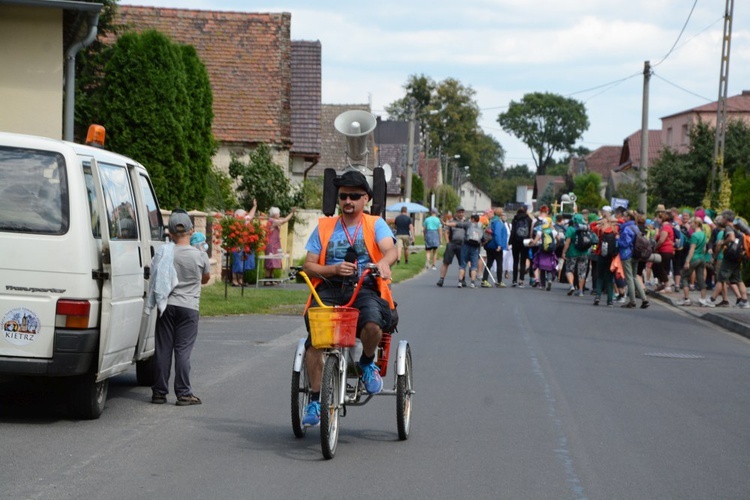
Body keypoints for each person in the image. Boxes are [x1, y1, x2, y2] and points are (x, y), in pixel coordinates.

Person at [300, 171, 397, 427]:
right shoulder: (324, 226)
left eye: (355, 196)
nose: (348, 200)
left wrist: (384, 263)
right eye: (343, 196)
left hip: (364, 286)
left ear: (365, 198)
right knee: (315, 344)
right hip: (330, 287)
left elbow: (390, 250)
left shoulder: (375, 224)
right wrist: (332, 269)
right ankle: (315, 399)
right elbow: (308, 265)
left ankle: (366, 363)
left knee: (373, 325)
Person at [151, 210, 211, 406]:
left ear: (169, 232)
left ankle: (159, 392)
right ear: (191, 230)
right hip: (189, 307)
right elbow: (205, 279)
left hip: (167, 306)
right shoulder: (200, 255)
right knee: (183, 350)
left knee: (163, 349)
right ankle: (184, 393)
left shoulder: (165, 252)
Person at [617, 210, 650, 309]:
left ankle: (632, 301)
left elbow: (625, 243)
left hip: (627, 255)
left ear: (628, 218)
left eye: (624, 216)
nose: (623, 217)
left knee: (629, 278)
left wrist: (617, 239)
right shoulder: (635, 227)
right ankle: (644, 299)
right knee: (635, 276)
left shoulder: (626, 228)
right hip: (636, 254)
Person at [677, 217, 711, 306]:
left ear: (696, 224)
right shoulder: (703, 234)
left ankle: (686, 299)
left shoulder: (694, 235)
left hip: (694, 258)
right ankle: (703, 299)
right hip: (702, 258)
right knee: (701, 279)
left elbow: (692, 249)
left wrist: (687, 261)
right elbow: (704, 248)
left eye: (691, 222)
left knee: (684, 277)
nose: (690, 224)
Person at [437, 206, 470, 287]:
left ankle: (462, 279)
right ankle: (441, 279)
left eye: (462, 212)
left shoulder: (466, 222)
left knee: (462, 263)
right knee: (446, 262)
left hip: (462, 244)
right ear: (456, 213)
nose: (461, 214)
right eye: (459, 212)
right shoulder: (451, 221)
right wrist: (448, 242)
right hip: (452, 243)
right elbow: (447, 232)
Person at [264, 205, 295, 284]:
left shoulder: (274, 220)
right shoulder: (272, 221)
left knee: (274, 262)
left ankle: (271, 278)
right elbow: (284, 221)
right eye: (278, 213)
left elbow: (282, 219)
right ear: (274, 214)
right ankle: (267, 279)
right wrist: (291, 213)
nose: (279, 214)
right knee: (270, 261)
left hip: (275, 243)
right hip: (271, 244)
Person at [561, 213, 590, 297]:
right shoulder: (586, 228)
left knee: (569, 270)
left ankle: (571, 286)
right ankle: (580, 291)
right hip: (584, 253)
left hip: (572, 253)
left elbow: (567, 243)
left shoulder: (571, 229)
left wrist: (563, 252)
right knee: (582, 272)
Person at [231, 200, 257, 287]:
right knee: (237, 262)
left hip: (244, 245)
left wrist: (254, 206)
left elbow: (251, 215)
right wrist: (236, 245)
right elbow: (233, 237)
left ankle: (241, 280)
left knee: (243, 261)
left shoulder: (245, 222)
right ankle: (234, 280)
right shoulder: (234, 224)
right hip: (236, 246)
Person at [482, 207, 508, 287]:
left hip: (489, 245)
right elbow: (497, 233)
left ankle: (484, 280)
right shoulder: (498, 222)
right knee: (499, 263)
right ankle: (499, 281)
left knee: (489, 263)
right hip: (496, 246)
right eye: (502, 213)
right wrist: (499, 244)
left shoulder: (492, 220)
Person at [530, 216, 558, 291]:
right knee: (549, 268)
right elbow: (559, 240)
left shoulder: (540, 232)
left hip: (542, 251)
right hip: (550, 251)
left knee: (542, 267)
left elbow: (535, 242)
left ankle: (542, 285)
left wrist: (531, 242)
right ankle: (549, 280)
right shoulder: (554, 232)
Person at [510, 206, 532, 287]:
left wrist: (510, 242)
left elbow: (513, 231)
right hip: (525, 242)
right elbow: (530, 231)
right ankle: (521, 280)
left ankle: (514, 280)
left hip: (515, 241)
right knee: (523, 261)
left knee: (515, 261)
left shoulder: (515, 219)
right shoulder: (528, 219)